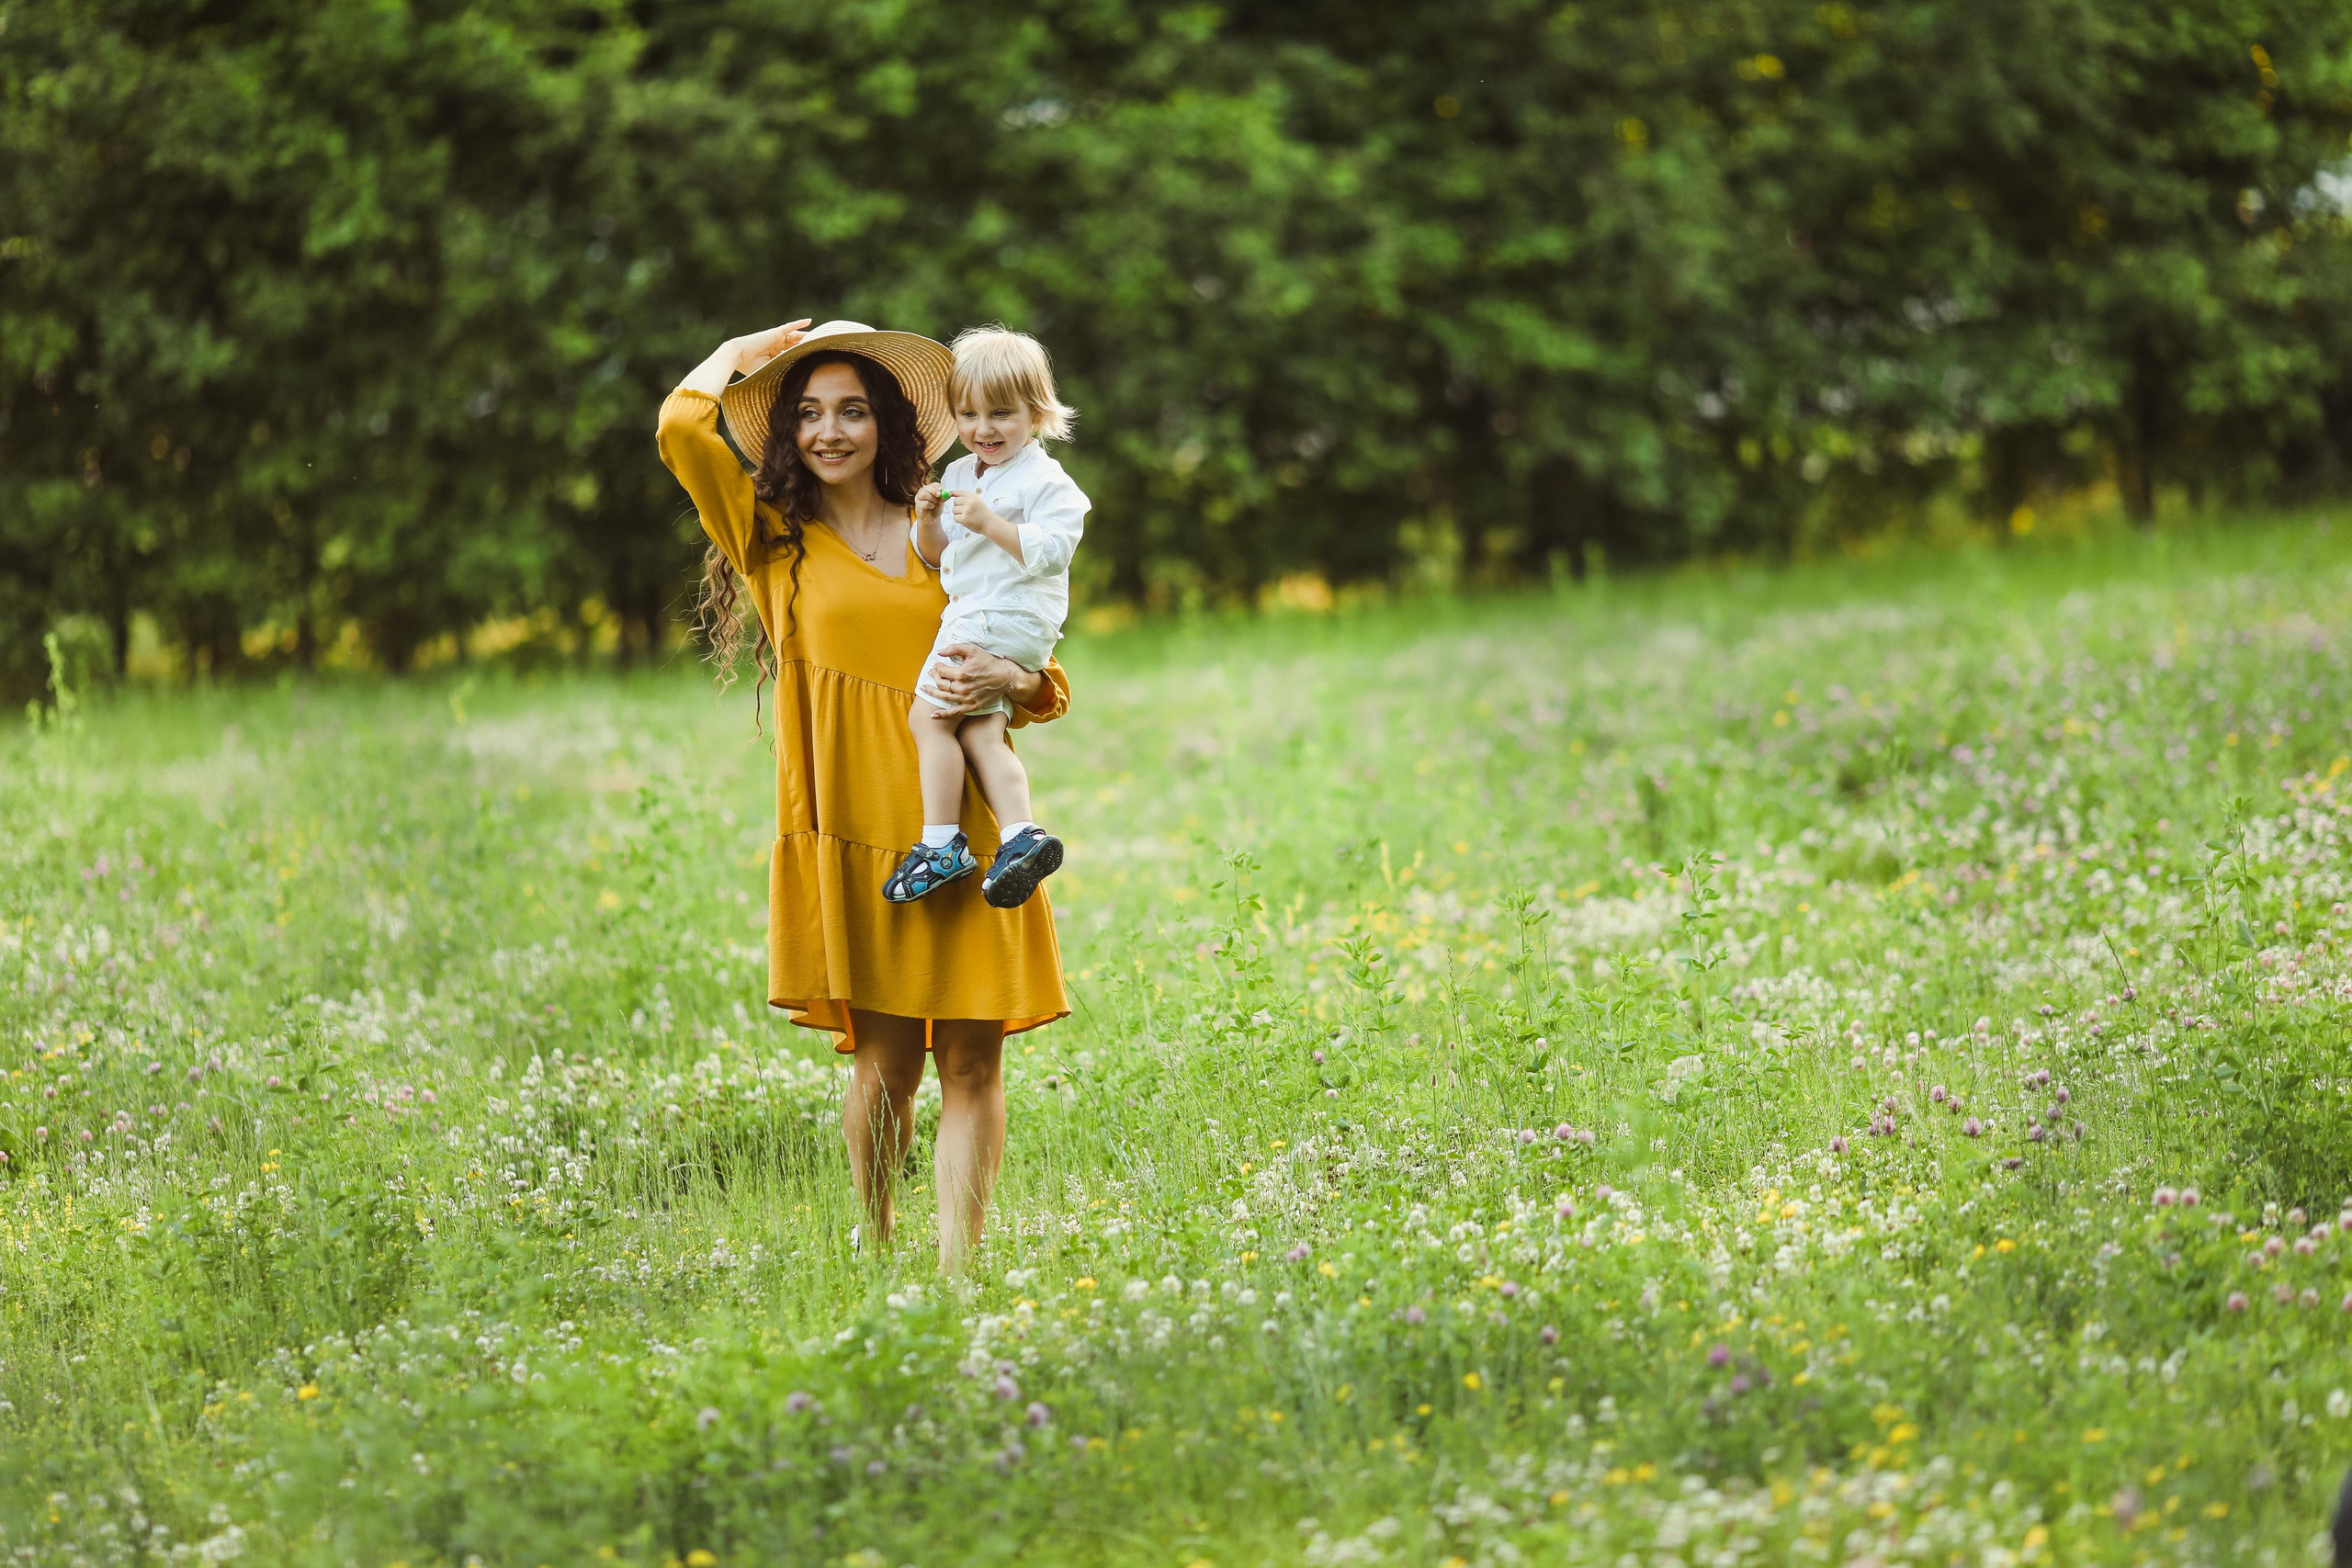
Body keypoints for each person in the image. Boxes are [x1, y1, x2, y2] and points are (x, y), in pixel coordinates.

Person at [656, 318, 1071, 1273]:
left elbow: (1032, 657)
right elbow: (683, 428)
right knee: (888, 1066)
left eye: (851, 410)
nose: (829, 431)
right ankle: (875, 1250)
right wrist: (743, 350)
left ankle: (958, 1272)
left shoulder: (950, 521)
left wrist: (1013, 686)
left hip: (966, 822)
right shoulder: (772, 544)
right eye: (806, 414)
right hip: (854, 828)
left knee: (971, 1061)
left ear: (887, 423)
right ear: (785, 434)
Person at [887, 327, 1088, 911]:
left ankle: (942, 843)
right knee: (977, 729)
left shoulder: (1045, 480)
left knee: (928, 719)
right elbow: (933, 556)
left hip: (1004, 614)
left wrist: (992, 525)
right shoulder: (958, 476)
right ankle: (1021, 835)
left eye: (1002, 413)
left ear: (1038, 413)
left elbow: (1054, 552)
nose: (984, 429)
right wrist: (927, 519)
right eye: (969, 414)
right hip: (982, 615)